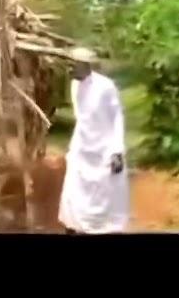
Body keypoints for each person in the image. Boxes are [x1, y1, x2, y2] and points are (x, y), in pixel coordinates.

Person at [58, 47, 129, 234]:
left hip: (104, 149)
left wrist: (117, 151)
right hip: (82, 147)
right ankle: (74, 226)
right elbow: (82, 118)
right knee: (74, 191)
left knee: (105, 194)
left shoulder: (106, 87)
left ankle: (103, 228)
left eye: (73, 65)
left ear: (85, 66)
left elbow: (116, 118)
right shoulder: (74, 85)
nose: (69, 70)